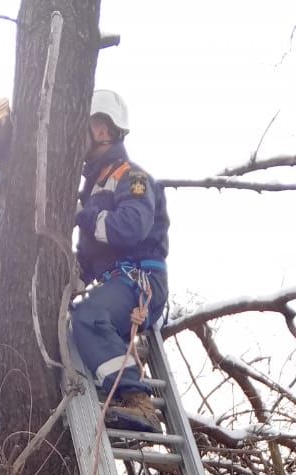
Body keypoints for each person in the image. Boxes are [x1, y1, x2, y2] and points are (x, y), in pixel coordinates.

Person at [71, 90, 169, 433]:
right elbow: (90, 255)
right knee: (77, 319)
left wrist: (84, 217)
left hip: (140, 281)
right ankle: (113, 391)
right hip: (115, 281)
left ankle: (136, 400)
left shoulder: (133, 177)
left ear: (101, 129)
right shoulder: (94, 186)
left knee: (88, 317)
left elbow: (130, 227)